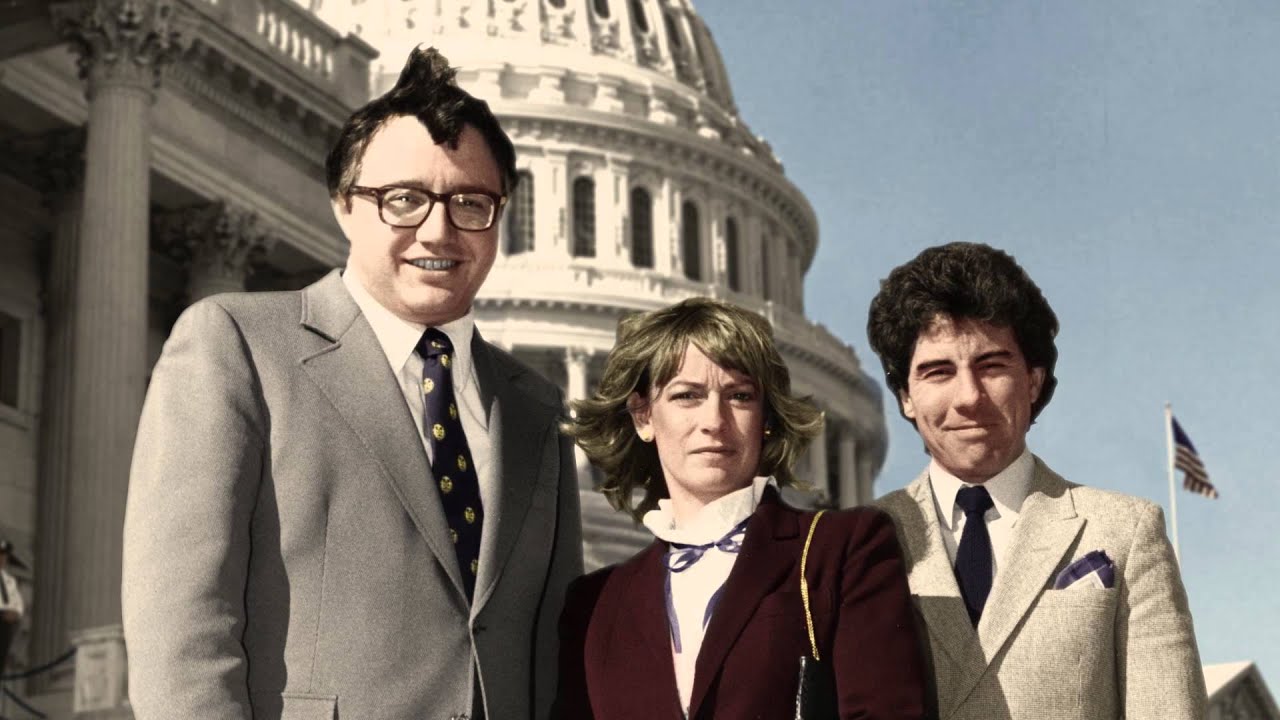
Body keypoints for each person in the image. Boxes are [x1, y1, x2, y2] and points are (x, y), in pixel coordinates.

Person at [123, 46, 582, 720]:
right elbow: (181, 631)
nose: (438, 230)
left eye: (470, 203)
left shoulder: (536, 408)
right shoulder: (238, 346)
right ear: (344, 205)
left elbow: (556, 647)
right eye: (404, 200)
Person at [869, 242, 1207, 720]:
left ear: (1032, 380)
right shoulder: (859, 542)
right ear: (906, 395)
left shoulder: (1125, 530)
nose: (969, 397)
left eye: (991, 366)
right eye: (938, 372)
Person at [555, 297, 926, 719]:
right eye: (687, 396)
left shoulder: (841, 550)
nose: (714, 421)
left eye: (740, 396)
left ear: (765, 417)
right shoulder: (595, 604)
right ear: (643, 417)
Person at [0, 540, 24, 675]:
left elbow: (18, 604)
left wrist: (15, 613)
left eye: (4, 556)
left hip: (7, 625)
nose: (2, 559)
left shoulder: (10, 581)